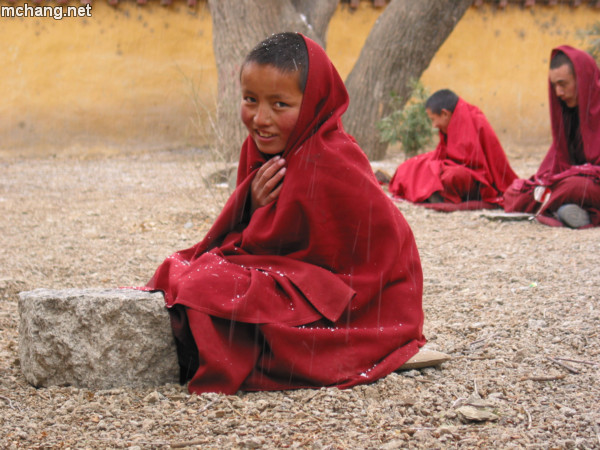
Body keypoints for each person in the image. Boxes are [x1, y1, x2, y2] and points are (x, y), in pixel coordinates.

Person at [142, 32, 426, 395]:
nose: (260, 118)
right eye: (250, 100)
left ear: (313, 104)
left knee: (204, 285)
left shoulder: (331, 160)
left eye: (280, 105)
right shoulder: (263, 147)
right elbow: (259, 246)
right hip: (300, 278)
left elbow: (357, 264)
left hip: (358, 300)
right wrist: (252, 204)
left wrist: (256, 218)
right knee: (182, 271)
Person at [503, 45, 600, 228]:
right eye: (554, 86)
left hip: (588, 184)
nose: (558, 93)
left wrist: (578, 173)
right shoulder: (569, 115)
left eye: (563, 84)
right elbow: (556, 165)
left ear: (583, 80)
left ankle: (561, 205)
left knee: (573, 186)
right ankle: (566, 208)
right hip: (573, 182)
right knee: (515, 193)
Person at [388, 89, 518, 212]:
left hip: (476, 177)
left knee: (452, 176)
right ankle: (434, 192)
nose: (433, 125)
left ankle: (435, 192)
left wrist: (441, 168)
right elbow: (443, 153)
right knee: (410, 166)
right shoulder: (449, 123)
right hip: (449, 164)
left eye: (433, 119)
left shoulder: (476, 119)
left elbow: (490, 160)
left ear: (445, 113)